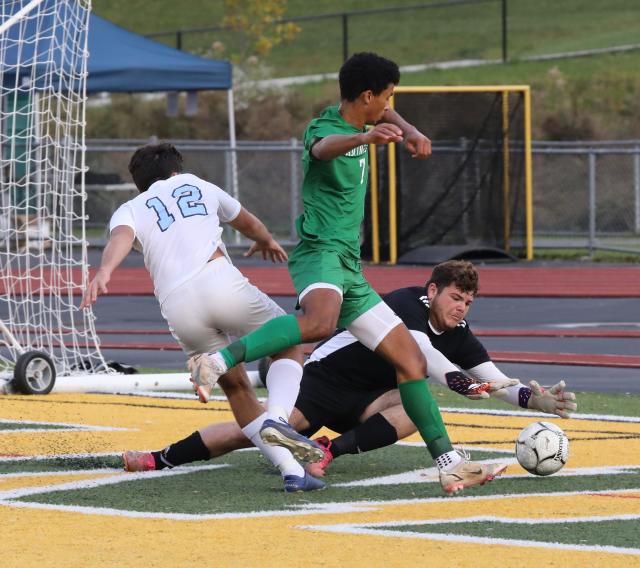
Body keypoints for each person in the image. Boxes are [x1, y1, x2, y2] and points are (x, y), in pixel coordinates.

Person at [186, 52, 508, 494]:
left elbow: (385, 115)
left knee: (411, 364)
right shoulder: (326, 129)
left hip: (349, 266)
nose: (390, 104)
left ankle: (450, 464)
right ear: (367, 97)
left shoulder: (367, 116)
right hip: (320, 252)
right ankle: (218, 359)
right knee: (317, 323)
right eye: (387, 97)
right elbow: (323, 149)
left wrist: (410, 130)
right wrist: (369, 138)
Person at [127, 262, 573, 488]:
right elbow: (417, 352)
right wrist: (460, 381)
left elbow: (493, 377)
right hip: (325, 381)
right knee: (256, 431)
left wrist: (534, 400)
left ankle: (326, 451)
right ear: (433, 290)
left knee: (414, 409)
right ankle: (162, 457)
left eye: (469, 303)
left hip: (368, 399)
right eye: (456, 298)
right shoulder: (405, 302)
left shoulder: (459, 332)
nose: (461, 308)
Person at [80, 142, 325, 493]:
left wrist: (105, 270)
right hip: (218, 282)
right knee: (289, 342)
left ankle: (291, 472)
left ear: (139, 183)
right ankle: (280, 417)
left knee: (236, 387)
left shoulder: (131, 207)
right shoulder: (196, 183)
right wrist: (267, 239)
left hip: (178, 309)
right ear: (176, 171)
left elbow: (122, 237)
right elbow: (246, 220)